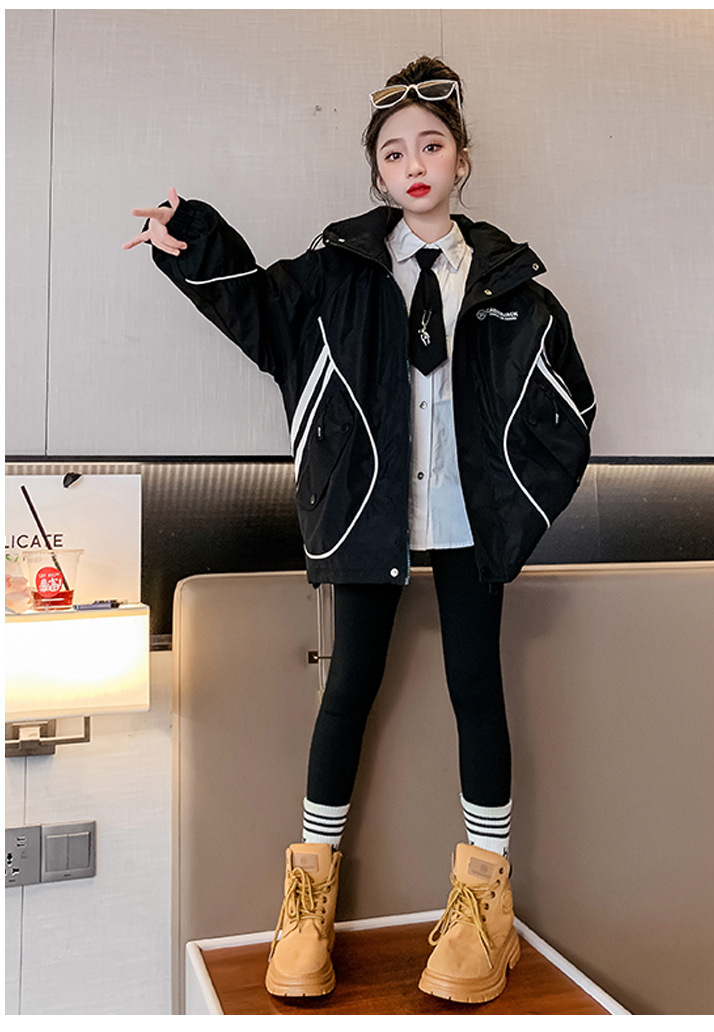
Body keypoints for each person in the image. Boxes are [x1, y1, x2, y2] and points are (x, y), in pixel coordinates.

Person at [124, 55, 596, 1006]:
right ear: (376, 172)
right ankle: (306, 909)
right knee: (347, 690)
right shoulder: (338, 273)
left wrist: (519, 503)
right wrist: (197, 239)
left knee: (476, 690)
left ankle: (483, 909)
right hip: (367, 513)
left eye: (432, 145)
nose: (414, 164)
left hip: (467, 522)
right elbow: (263, 314)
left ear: (463, 159)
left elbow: (567, 405)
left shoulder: (509, 282)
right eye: (394, 152)